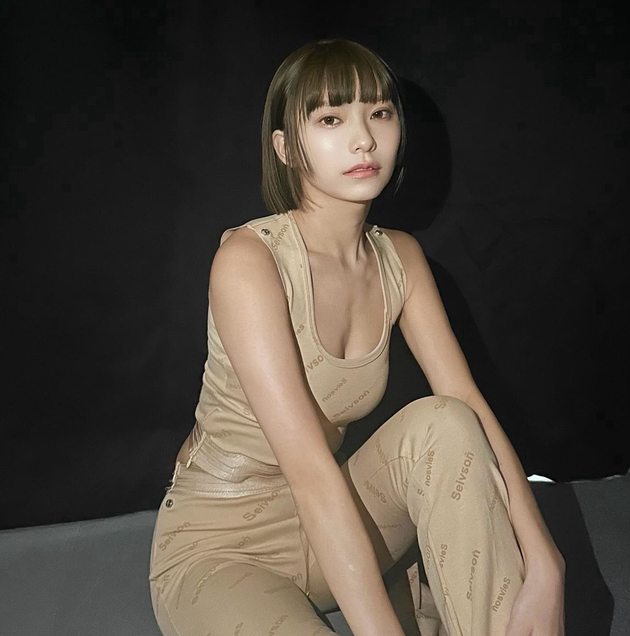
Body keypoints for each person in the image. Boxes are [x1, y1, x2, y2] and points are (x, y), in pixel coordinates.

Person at [148, 38, 566, 635]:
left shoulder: (400, 257)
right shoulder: (249, 260)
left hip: (336, 523)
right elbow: (307, 467)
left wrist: (546, 563)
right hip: (223, 545)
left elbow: (467, 404)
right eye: (330, 119)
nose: (364, 139)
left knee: (446, 421)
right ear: (285, 148)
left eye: (379, 113)